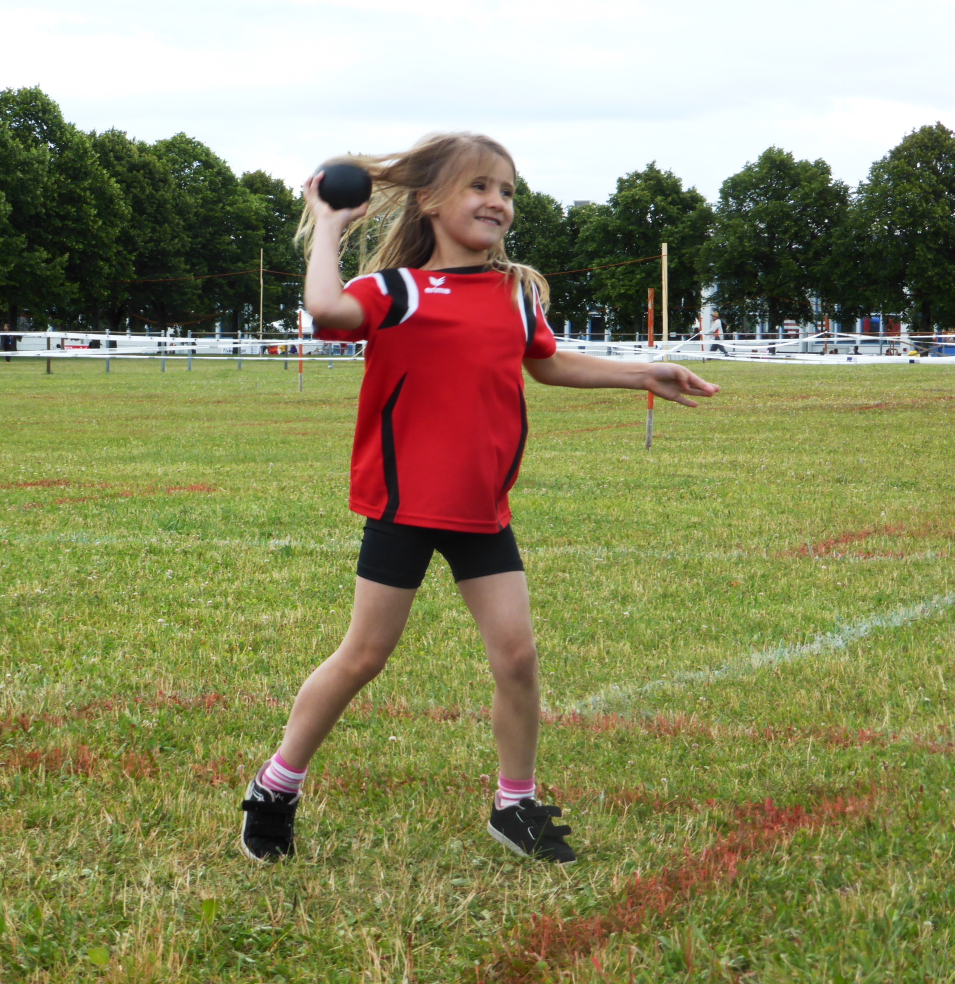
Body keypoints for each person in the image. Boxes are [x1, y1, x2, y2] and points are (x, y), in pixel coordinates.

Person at [239, 133, 719, 865]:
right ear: (431, 201)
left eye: (507, 191)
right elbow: (325, 308)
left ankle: (514, 804)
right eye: (480, 187)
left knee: (517, 656)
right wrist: (329, 224)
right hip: (403, 506)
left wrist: (641, 374)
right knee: (364, 655)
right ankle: (275, 788)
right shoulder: (396, 291)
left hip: (481, 508)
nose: (498, 202)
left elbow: (546, 363)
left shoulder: (514, 294)